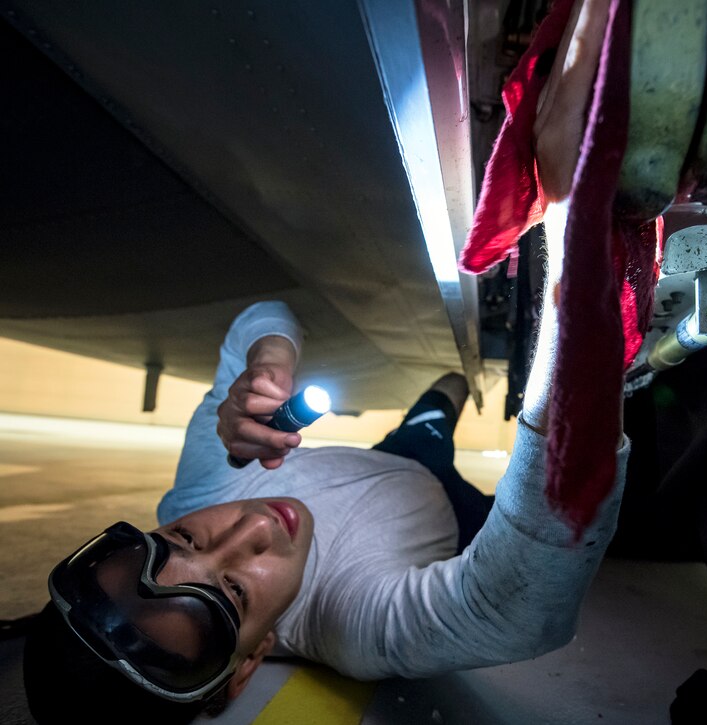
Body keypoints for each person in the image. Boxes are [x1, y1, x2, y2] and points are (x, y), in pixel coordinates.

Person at [21, 3, 622, 721]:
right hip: (455, 512)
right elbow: (518, 610)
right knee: (603, 513)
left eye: (183, 538)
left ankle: (452, 397)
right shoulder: (353, 624)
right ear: (248, 665)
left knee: (446, 391)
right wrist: (571, 221)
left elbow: (260, 317)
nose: (252, 527)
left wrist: (265, 363)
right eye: (234, 591)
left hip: (390, 460)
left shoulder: (196, 488)